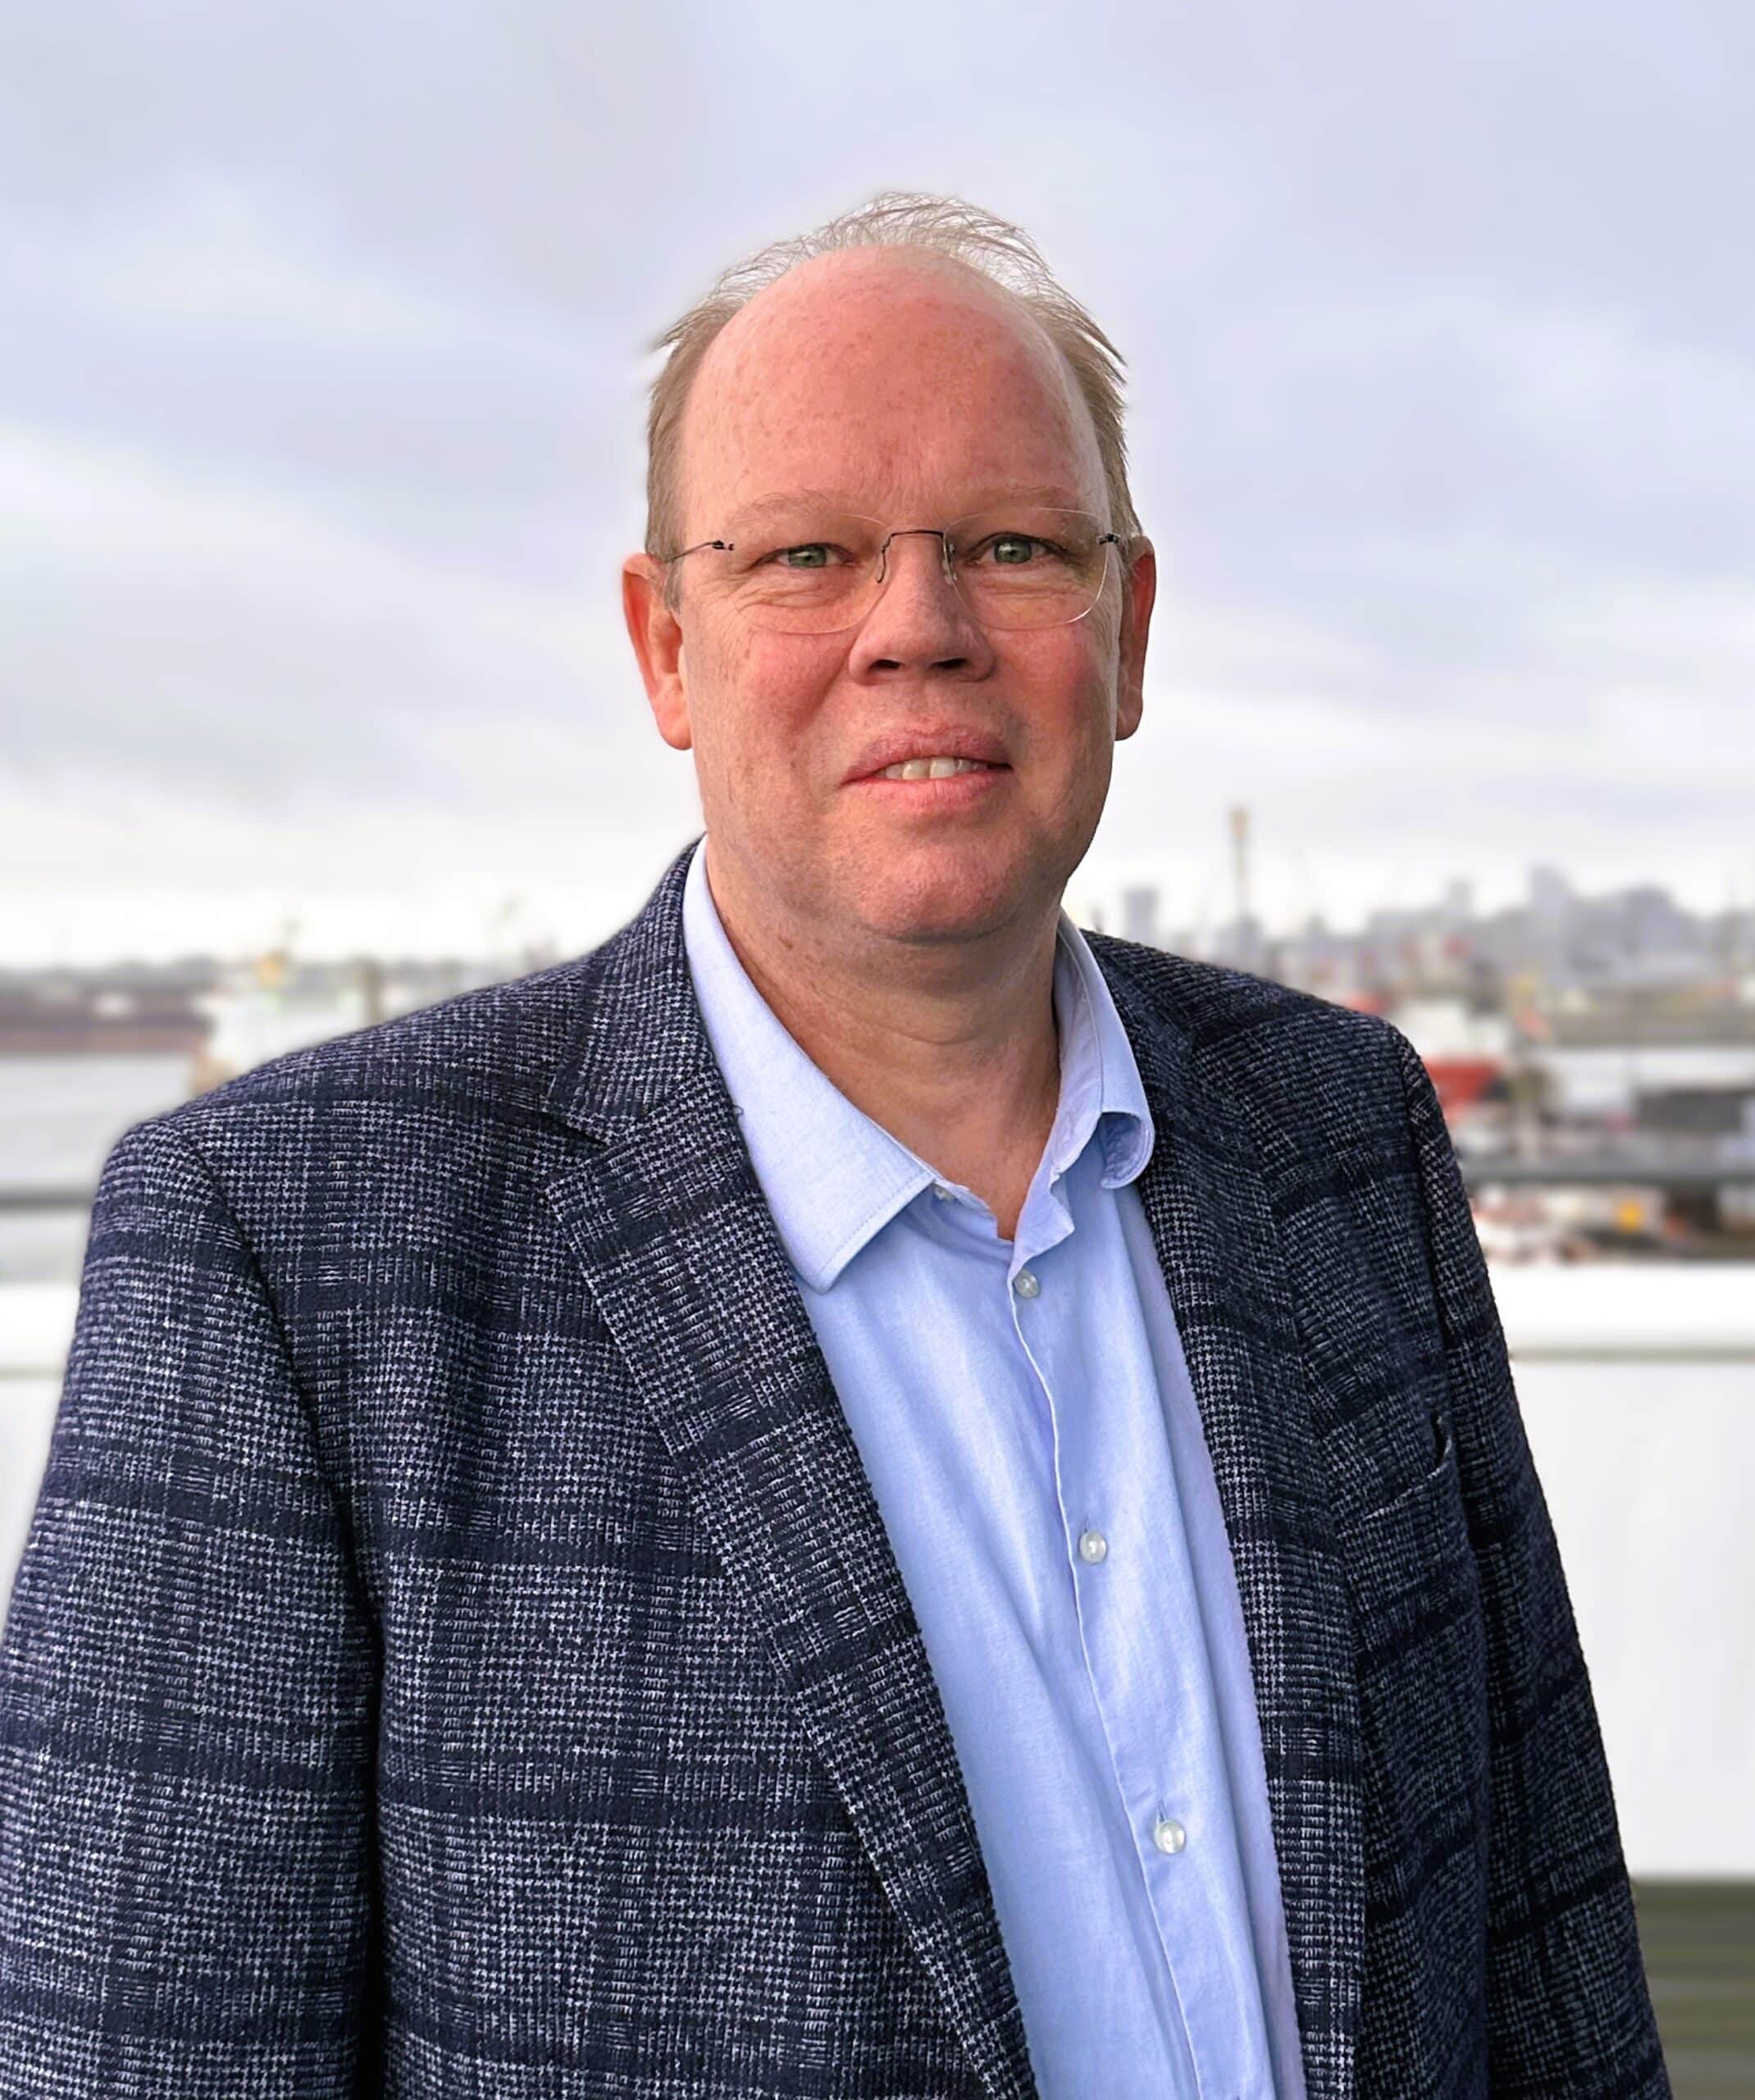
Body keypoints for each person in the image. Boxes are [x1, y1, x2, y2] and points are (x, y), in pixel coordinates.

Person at [0, 194, 1668, 2100]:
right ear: (664, 648)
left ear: (1125, 631)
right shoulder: (293, 1250)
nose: (919, 629)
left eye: (1011, 545)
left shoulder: (1338, 1129)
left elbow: (1544, 1947)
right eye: (805, 554)